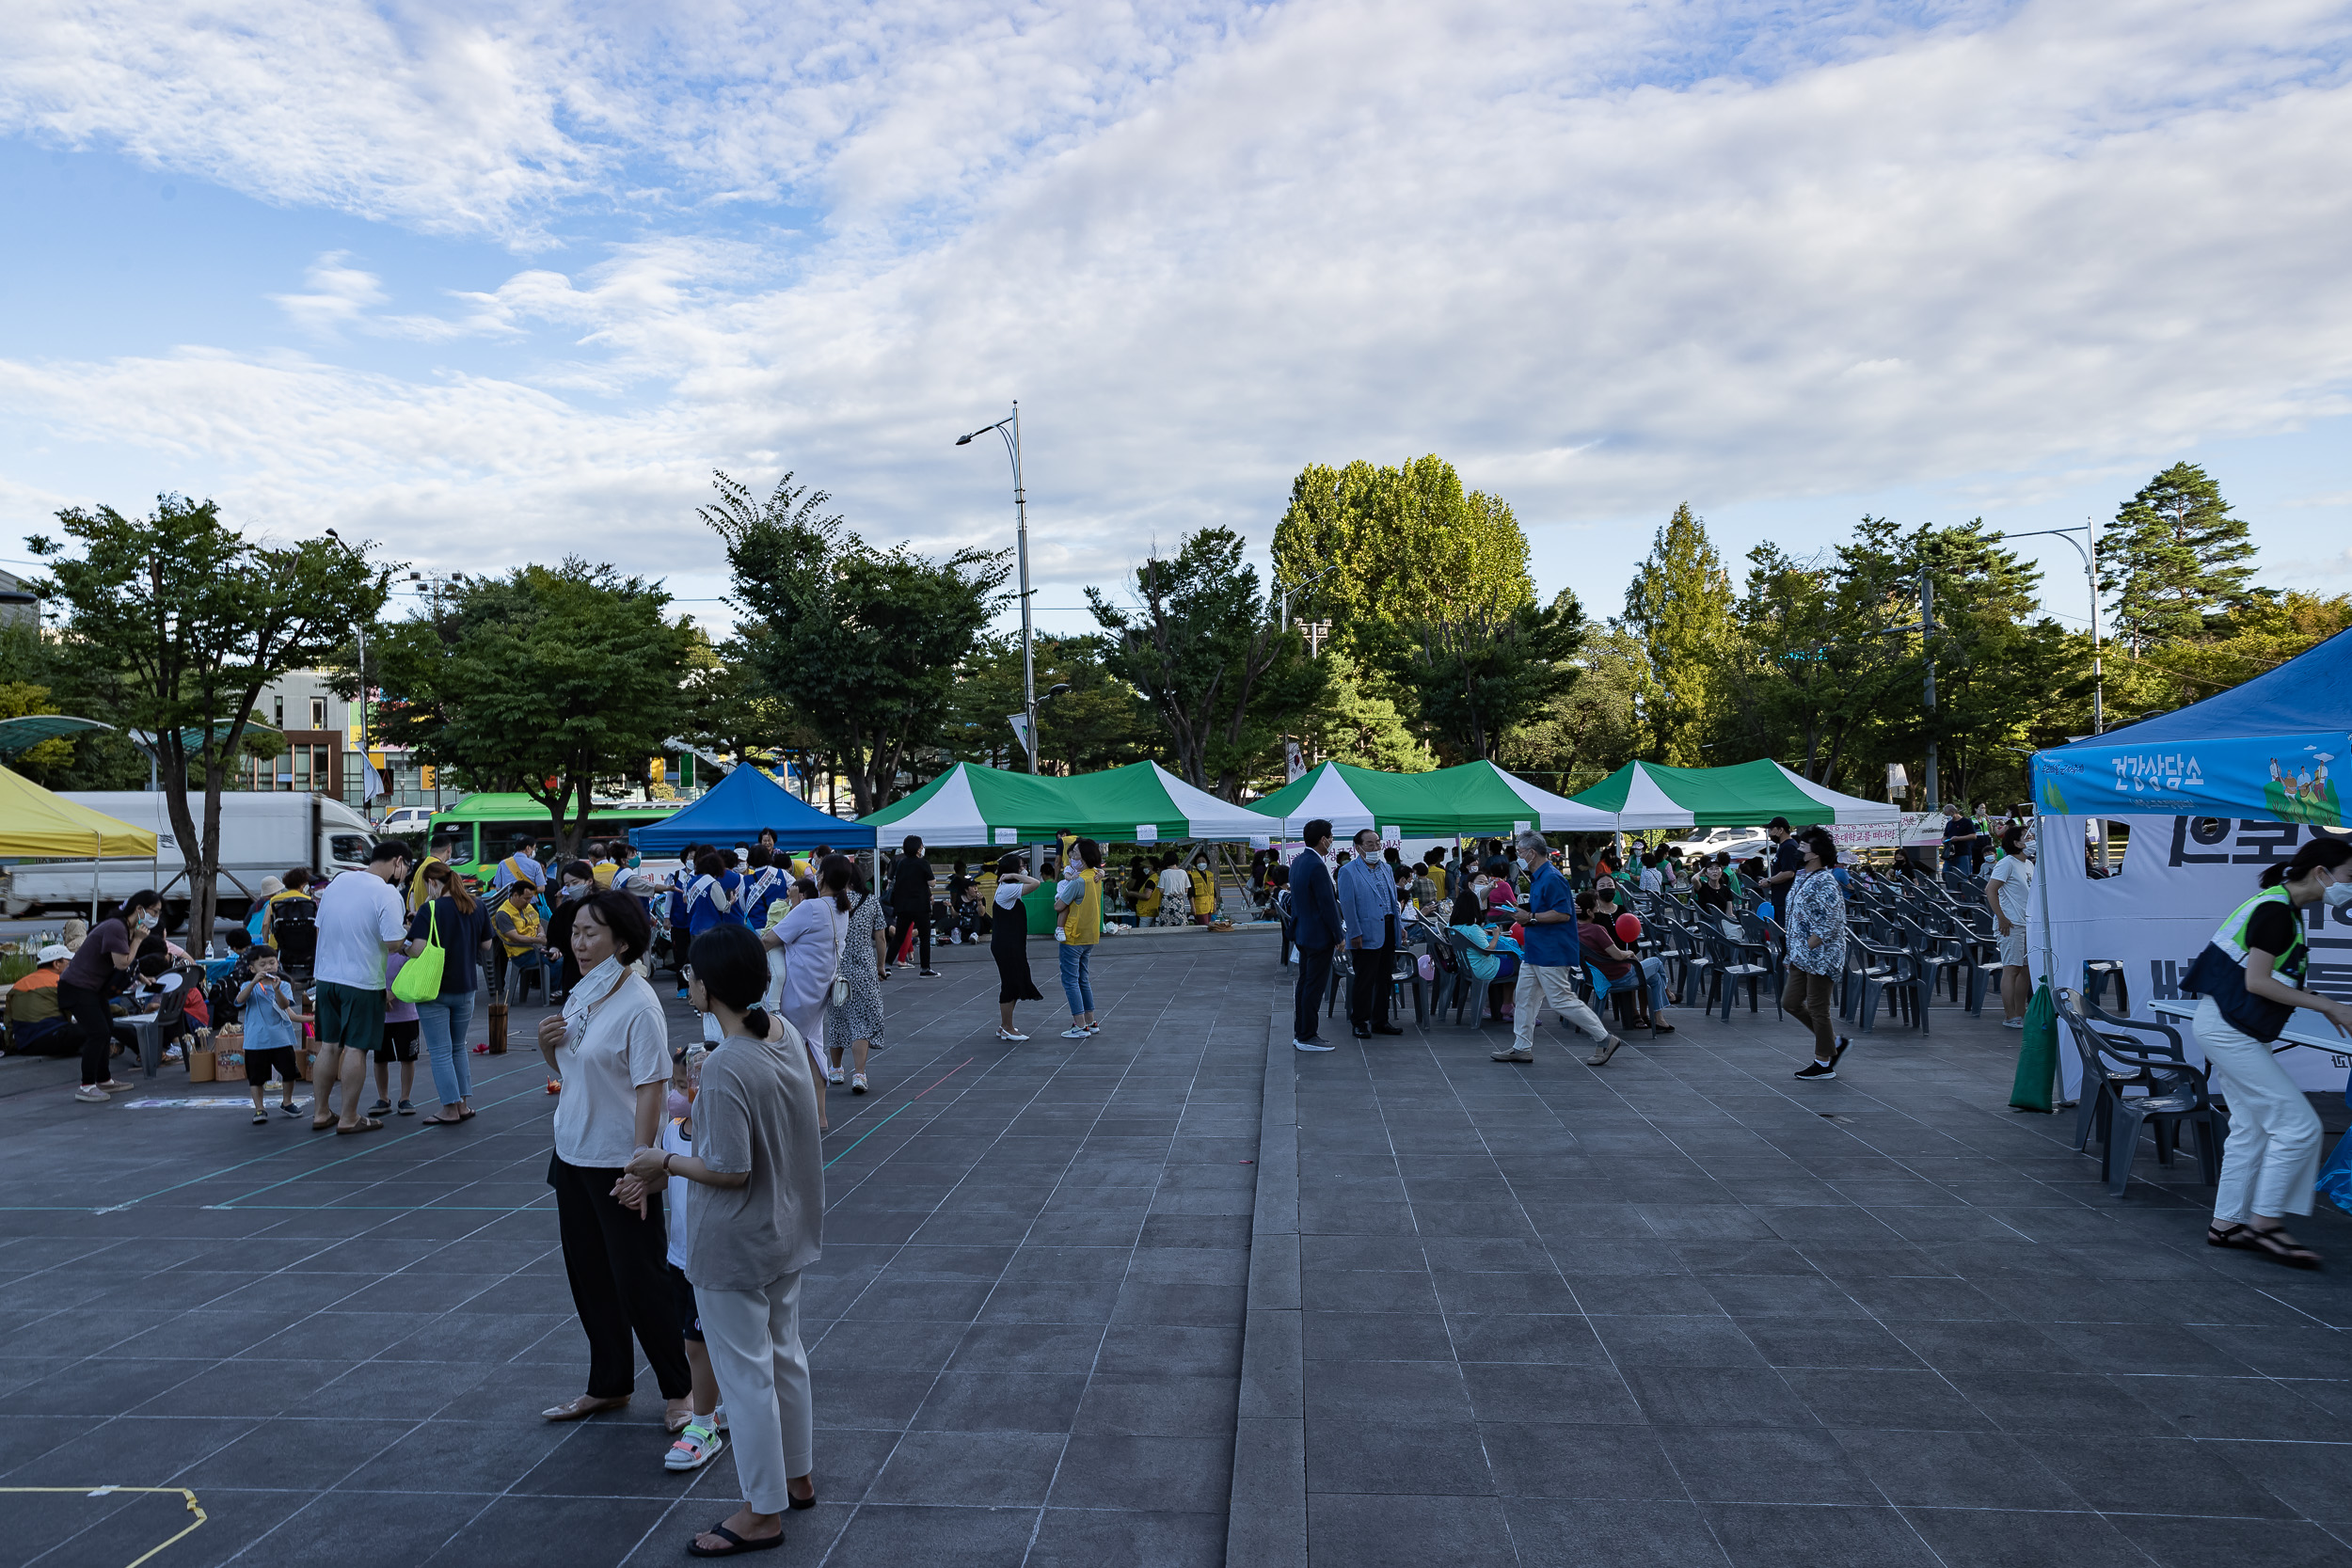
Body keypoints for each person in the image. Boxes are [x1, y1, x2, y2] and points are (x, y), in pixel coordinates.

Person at [623, 922, 824, 1555]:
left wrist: (665, 1163)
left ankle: (762, 1512)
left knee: (746, 1378)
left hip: (736, 1243)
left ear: (707, 986)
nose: (685, 982)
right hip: (787, 1229)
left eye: (689, 974)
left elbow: (730, 1169)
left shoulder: (731, 1062)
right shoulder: (782, 1033)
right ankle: (797, 1475)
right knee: (785, 1356)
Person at [536, 889, 693, 1429]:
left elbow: (651, 1089)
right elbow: (572, 1068)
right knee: (590, 1278)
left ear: (621, 941)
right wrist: (544, 1045)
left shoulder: (639, 1002)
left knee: (640, 1280)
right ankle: (608, 1385)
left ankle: (682, 1391)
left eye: (590, 934)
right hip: (574, 1151)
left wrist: (641, 1165)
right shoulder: (583, 992)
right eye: (575, 933)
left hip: (618, 1161)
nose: (578, 943)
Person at [2182, 836, 2352, 1268]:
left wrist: (2318, 1000)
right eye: (2351, 878)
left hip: (2227, 1025)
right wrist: (2329, 1005)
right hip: (2229, 1030)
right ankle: (2266, 1225)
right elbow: (2257, 982)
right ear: (2322, 874)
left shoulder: (2281, 906)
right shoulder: (2277, 911)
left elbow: (2270, 977)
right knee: (2300, 1128)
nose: (2351, 887)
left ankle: (2228, 1225)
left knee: (2252, 1128)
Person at [654, 1047, 729, 1474]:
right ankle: (723, 1409)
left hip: (709, 1257)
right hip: (679, 1257)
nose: (682, 1095)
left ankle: (702, 1425)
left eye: (690, 1086)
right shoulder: (671, 1133)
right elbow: (661, 1178)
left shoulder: (714, 1133)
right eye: (677, 1086)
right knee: (702, 1342)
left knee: (696, 1344)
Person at [1493, 831, 1624, 1068]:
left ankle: (1604, 1038)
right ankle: (1522, 1047)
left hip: (1550, 951)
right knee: (1524, 998)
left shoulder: (1551, 878)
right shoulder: (1542, 877)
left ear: (1532, 853)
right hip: (1537, 949)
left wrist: (1529, 916)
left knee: (1561, 1000)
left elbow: (1562, 914)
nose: (1519, 856)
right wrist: (1527, 914)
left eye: (1521, 852)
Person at [308, 843, 411, 1133]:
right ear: (398, 862)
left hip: (327, 978)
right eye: (405, 870)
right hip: (362, 982)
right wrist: (410, 942)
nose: (402, 877)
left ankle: (321, 1112)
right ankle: (349, 1116)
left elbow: (320, 927)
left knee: (328, 1047)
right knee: (356, 1048)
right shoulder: (387, 892)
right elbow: (393, 943)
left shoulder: (337, 883)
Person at [405, 858, 496, 1126]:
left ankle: (448, 1109)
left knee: (441, 1051)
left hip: (434, 989)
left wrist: (405, 945)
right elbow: (487, 945)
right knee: (458, 1048)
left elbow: (418, 949)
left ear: (433, 882)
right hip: (466, 987)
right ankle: (463, 1104)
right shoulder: (477, 905)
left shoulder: (429, 908)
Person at [1782, 828, 1852, 1081]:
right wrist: (1793, 952)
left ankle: (1823, 1063)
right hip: (1802, 955)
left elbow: (1830, 922)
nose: (1799, 850)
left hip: (1822, 956)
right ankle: (1832, 1042)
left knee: (1818, 1007)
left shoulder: (1826, 881)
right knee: (1790, 1002)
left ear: (1815, 854)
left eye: (1803, 846)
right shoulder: (1803, 877)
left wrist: (1807, 945)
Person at [762, 870, 841, 1095]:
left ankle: (773, 1007)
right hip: (819, 988)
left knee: (791, 1044)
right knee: (813, 1045)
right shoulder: (837, 908)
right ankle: (820, 1115)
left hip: (798, 990)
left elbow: (775, 936)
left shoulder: (810, 907)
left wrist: (797, 902)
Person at [1337, 827, 1404, 1039]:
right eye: (1370, 844)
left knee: (1385, 977)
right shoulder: (1349, 871)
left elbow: (1393, 901)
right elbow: (1348, 905)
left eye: (1377, 843)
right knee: (1365, 979)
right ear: (1358, 847)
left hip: (1388, 926)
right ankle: (1360, 1022)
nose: (1375, 847)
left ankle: (1380, 1020)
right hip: (1364, 931)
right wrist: (1354, 933)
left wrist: (1399, 926)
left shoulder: (1385, 868)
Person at [826, 857, 889, 1085]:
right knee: (861, 1019)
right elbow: (880, 937)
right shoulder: (871, 901)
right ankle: (860, 1074)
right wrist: (881, 966)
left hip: (837, 967)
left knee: (838, 1018)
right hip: (864, 967)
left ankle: (835, 1069)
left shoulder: (832, 902)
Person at [1579, 887, 1673, 1032]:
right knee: (1656, 962)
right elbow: (1617, 955)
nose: (1599, 909)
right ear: (1589, 912)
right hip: (1618, 976)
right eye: (1596, 906)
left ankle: (1658, 1020)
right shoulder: (1596, 930)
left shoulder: (1574, 929)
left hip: (1596, 975)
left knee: (1654, 978)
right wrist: (1629, 953)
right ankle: (1668, 994)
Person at [238, 949, 308, 1124]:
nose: (268, 966)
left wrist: (277, 991)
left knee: (289, 1071)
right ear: (252, 969)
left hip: (280, 1037)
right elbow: (239, 1000)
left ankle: (287, 1101)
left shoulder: (283, 985)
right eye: (262, 964)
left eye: (272, 962)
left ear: (277, 963)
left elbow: (285, 1005)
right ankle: (259, 1108)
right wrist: (253, 983)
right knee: (256, 1077)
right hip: (256, 1040)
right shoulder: (249, 985)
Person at [1289, 821, 1342, 1053]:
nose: (1332, 842)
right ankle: (1308, 1034)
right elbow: (1327, 905)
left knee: (1305, 983)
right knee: (1314, 986)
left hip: (1303, 932)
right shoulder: (1317, 866)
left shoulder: (1299, 861)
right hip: (1319, 935)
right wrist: (1338, 936)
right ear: (1323, 839)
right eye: (1331, 838)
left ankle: (1301, 1031)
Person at [1985, 824, 2036, 1029]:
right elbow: (1990, 890)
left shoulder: (2029, 865)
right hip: (2011, 924)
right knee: (2011, 968)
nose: (2031, 838)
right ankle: (2010, 1015)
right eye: (2027, 836)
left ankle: (2021, 1012)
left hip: (2027, 923)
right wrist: (2002, 918)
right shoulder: (2006, 863)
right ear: (2016, 843)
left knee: (2025, 970)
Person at [990, 853, 1045, 1041]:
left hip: (1010, 943)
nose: (1024, 869)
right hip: (1007, 944)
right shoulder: (1008, 888)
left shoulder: (1007, 888)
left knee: (1014, 981)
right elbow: (1036, 883)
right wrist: (1016, 876)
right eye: (1021, 866)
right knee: (1010, 984)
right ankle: (1007, 1027)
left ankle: (1005, 1025)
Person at [1054, 838, 1104, 1039]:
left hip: (1073, 936)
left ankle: (1080, 1025)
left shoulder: (1078, 881)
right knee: (1083, 979)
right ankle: (1091, 1021)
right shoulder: (1096, 876)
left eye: (1074, 854)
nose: (1072, 857)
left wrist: (1059, 899)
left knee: (1070, 981)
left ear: (1082, 858)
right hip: (1089, 935)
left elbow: (1059, 906)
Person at [369, 950, 421, 1117]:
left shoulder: (407, 955)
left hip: (406, 1016)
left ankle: (405, 1097)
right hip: (380, 1017)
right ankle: (383, 1097)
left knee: (407, 1058)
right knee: (380, 1059)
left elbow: (412, 980)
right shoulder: (373, 954)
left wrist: (390, 996)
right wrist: (381, 999)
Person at [546, 861, 602, 1005]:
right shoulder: (565, 910)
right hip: (573, 969)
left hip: (601, 969)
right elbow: (555, 936)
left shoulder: (604, 906)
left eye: (575, 883)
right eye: (567, 885)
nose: (571, 888)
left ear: (589, 881)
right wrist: (554, 949)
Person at [6, 942, 73, 1056]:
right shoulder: (59, 982)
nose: (72, 966)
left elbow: (8, 1019)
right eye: (69, 962)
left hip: (23, 1044)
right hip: (50, 1038)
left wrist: (11, 1044)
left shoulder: (19, 984)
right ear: (57, 964)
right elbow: (79, 1008)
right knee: (95, 1030)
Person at [492, 878, 551, 1004]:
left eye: (530, 898)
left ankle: (553, 990)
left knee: (561, 955)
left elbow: (538, 923)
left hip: (535, 948)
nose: (529, 902)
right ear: (515, 895)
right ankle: (553, 992)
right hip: (520, 954)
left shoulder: (527, 907)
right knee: (554, 961)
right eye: (526, 898)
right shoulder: (503, 914)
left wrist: (541, 933)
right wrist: (538, 940)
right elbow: (515, 937)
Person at [886, 835, 936, 977]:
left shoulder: (901, 863)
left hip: (903, 906)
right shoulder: (923, 863)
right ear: (918, 847)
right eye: (921, 845)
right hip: (921, 905)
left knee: (899, 936)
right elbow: (932, 883)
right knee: (925, 937)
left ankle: (887, 965)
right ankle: (925, 968)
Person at [1762, 817, 1804, 907]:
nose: (1769, 833)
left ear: (1780, 830)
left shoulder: (1789, 847)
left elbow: (1789, 872)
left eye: (1772, 829)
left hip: (1786, 898)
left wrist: (1769, 881)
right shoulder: (1784, 846)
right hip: (1780, 898)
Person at [1155, 852, 1191, 928]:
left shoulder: (1164, 873)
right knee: (1180, 923)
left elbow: (1161, 890)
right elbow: (1186, 889)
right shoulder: (1183, 872)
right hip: (1179, 901)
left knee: (1166, 924)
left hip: (1167, 901)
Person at [1186, 853, 1216, 925]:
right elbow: (1190, 894)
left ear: (1207, 862)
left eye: (1203, 861)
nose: (1201, 863)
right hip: (1200, 908)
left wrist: (1215, 905)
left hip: (1210, 907)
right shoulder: (1193, 876)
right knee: (1204, 927)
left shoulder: (1210, 874)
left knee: (1209, 926)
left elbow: (1214, 892)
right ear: (1196, 864)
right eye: (1199, 862)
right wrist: (1193, 907)